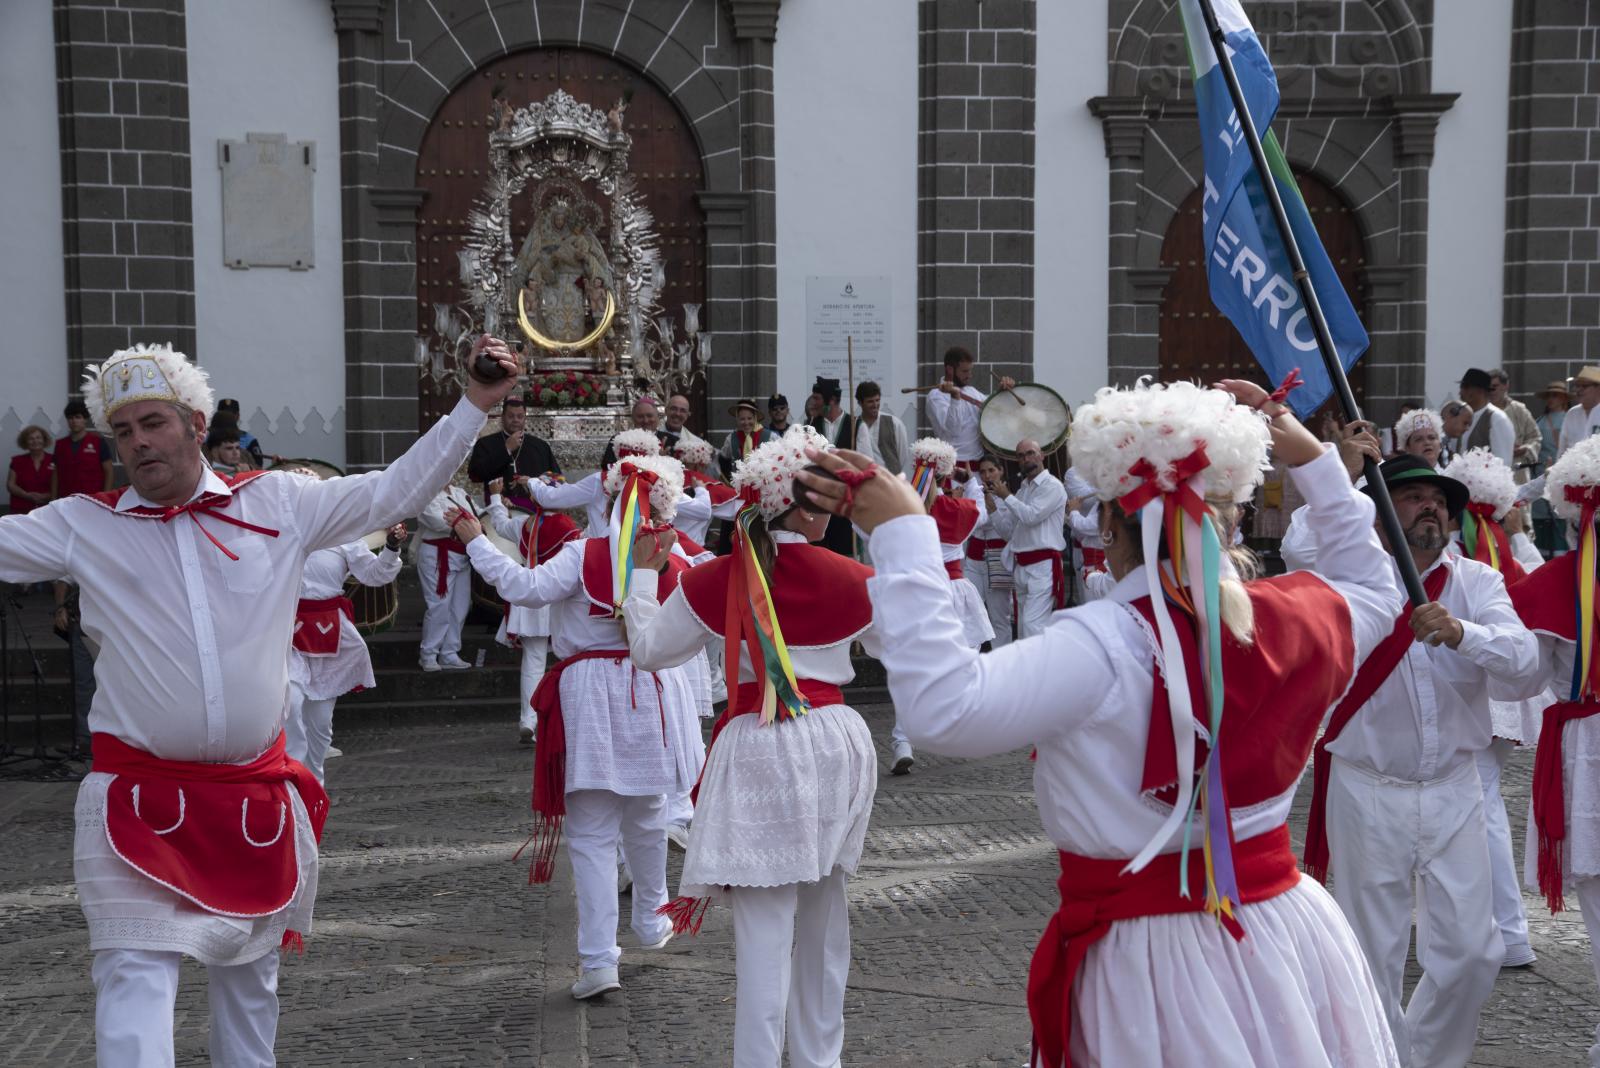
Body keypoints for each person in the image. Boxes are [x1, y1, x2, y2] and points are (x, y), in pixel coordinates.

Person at [800, 378, 1400, 1067]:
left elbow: (944, 709)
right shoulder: (1305, 614)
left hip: (1150, 956)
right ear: (1230, 520)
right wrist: (1317, 464)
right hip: (1284, 932)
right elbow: (1376, 588)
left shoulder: (1101, 644)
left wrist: (905, 533)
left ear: (1108, 524)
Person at [0, 336, 520, 1065]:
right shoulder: (85, 524)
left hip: (249, 802)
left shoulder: (277, 502)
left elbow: (394, 491)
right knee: (133, 981)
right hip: (135, 805)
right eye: (123, 431)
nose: (137, 442)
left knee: (250, 991)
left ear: (195, 423)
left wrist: (475, 404)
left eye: (152, 422)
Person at [621, 424, 880, 1068]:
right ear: (803, 509)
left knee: (764, 933)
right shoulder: (854, 577)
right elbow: (902, 645)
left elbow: (649, 651)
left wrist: (644, 579)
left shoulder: (714, 578)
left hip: (760, 743)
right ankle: (820, 1060)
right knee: (825, 918)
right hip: (836, 742)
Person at [1285, 453, 1541, 1067]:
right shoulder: (1348, 577)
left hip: (1455, 785)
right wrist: (1340, 469)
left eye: (1439, 500)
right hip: (1367, 784)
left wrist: (1463, 634)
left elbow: (1527, 664)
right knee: (1371, 954)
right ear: (1375, 512)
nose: (1431, 507)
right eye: (1412, 496)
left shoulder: (1477, 582)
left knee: (1474, 954)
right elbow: (1298, 543)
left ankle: (1423, 1058)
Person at [453, 453, 700, 1001]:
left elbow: (522, 586)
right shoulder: (675, 559)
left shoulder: (581, 554)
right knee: (648, 815)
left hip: (590, 693)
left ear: (607, 502)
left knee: (592, 834)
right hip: (651, 690)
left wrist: (476, 540)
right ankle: (651, 919)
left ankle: (598, 961)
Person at [1510, 433, 1600, 1063]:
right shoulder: (1556, 582)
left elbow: (1524, 676)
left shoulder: (1554, 580)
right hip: (1586, 748)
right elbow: (1522, 673)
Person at [1440, 448, 1546, 971]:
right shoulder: (1511, 553)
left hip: (1485, 688)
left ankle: (1505, 931)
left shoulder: (1459, 563)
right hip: (1507, 689)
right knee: (1486, 807)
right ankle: (1496, 928)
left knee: (1482, 811)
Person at [886, 437, 993, 773]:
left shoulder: (903, 510)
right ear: (947, 474)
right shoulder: (957, 510)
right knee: (965, 665)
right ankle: (965, 728)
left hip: (918, 592)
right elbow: (982, 512)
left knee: (911, 669)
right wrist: (970, 480)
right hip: (955, 590)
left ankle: (902, 740)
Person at [286, 518, 407, 783]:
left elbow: (375, 575)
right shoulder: (281, 530)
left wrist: (391, 547)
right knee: (291, 703)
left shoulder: (344, 537)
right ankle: (292, 783)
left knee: (320, 723)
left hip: (330, 633)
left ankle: (314, 786)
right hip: (286, 633)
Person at [484, 476, 582, 744]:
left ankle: (528, 719)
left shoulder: (524, 524)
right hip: (557, 597)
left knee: (533, 661)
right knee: (570, 657)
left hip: (529, 597)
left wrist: (495, 497)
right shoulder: (568, 527)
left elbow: (499, 525)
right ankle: (571, 717)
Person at [987, 437, 1066, 639]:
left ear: (1042, 455)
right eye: (1021, 456)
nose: (1026, 458)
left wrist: (1006, 496)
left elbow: (1031, 516)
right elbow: (1010, 533)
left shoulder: (1053, 486)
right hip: (1021, 564)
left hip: (1043, 565)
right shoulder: (1023, 489)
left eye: (1031, 453)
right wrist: (993, 510)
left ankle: (1041, 660)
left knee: (1033, 625)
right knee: (1023, 626)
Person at [529, 427, 662, 536]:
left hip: (601, 553)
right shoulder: (659, 485)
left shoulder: (599, 481)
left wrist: (533, 481)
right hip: (643, 552)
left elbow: (550, 498)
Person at [415, 480, 479, 671]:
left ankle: (449, 653)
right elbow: (437, 521)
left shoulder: (459, 492)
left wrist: (497, 503)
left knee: (460, 606)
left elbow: (479, 515)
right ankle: (428, 654)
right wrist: (466, 521)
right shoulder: (426, 493)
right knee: (439, 606)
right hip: (437, 555)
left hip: (461, 554)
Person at [925, 346, 1014, 467]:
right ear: (950, 369)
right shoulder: (936, 396)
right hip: (952, 468)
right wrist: (955, 398)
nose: (969, 375)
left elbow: (993, 410)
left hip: (979, 467)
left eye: (970, 371)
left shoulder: (972, 391)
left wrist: (1002, 391)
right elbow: (953, 430)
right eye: (965, 371)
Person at [467, 393, 561, 501]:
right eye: (511, 416)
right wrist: (506, 449)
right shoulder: (485, 444)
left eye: (520, 416)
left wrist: (534, 482)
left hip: (533, 509)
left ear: (525, 418)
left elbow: (558, 480)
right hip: (499, 507)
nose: (515, 420)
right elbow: (474, 475)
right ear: (502, 417)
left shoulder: (541, 446)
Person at [964, 454, 1014, 647]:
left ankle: (1003, 661)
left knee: (999, 617)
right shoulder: (975, 493)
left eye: (991, 470)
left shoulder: (1009, 497)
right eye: (983, 472)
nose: (987, 475)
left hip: (998, 559)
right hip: (974, 559)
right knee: (969, 614)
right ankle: (969, 659)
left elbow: (1006, 529)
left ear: (1000, 471)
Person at [52, 398, 113, 497]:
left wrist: (105, 496)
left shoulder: (98, 442)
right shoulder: (60, 445)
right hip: (66, 499)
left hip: (92, 498)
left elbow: (109, 471)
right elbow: (56, 474)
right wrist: (53, 498)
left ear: (85, 419)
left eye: (78, 417)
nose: (74, 421)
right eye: (70, 418)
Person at [1490, 368, 1543, 483]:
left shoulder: (1519, 410)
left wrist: (1525, 449)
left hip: (1517, 472)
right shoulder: (1483, 411)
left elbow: (1535, 437)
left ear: (1506, 386)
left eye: (1494, 387)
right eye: (1488, 387)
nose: (1491, 391)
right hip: (1490, 472)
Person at [1458, 368, 1516, 467]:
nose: (1460, 392)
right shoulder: (1461, 416)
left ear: (1480, 391)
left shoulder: (1497, 418)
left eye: (1466, 387)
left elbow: (1502, 463)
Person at [852, 381, 908, 477]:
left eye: (877, 400)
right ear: (860, 403)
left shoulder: (894, 423)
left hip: (890, 479)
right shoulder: (854, 425)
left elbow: (902, 454)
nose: (875, 405)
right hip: (862, 479)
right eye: (870, 401)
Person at [718, 399, 777, 479]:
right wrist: (730, 479)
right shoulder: (731, 439)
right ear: (737, 419)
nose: (746, 422)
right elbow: (723, 460)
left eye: (749, 418)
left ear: (755, 418)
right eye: (742, 419)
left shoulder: (770, 437)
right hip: (739, 485)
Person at [599, 396, 662, 469]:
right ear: (633, 419)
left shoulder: (669, 439)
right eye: (640, 417)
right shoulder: (618, 440)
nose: (645, 420)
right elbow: (607, 469)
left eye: (649, 416)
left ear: (657, 417)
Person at [9, 425, 54, 515]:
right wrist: (26, 495)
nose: (35, 441)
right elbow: (11, 485)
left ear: (44, 440)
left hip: (47, 509)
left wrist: (46, 496)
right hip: (21, 509)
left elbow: (62, 484)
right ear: (25, 442)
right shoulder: (17, 461)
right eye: (31, 438)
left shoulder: (55, 460)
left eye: (38, 437)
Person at [213, 399, 265, 469]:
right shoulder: (206, 437)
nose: (227, 418)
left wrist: (249, 468)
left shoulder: (248, 439)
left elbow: (258, 465)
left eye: (237, 447)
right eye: (224, 415)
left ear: (238, 416)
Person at [1561, 366, 1600, 458]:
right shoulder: (1572, 413)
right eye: (1577, 386)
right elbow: (1563, 449)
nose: (1578, 390)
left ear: (1598, 388)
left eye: (1584, 386)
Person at [1439, 400, 1472, 465]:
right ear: (1451, 415)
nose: (1467, 429)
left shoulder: (1445, 443)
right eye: (1465, 423)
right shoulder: (1432, 440)